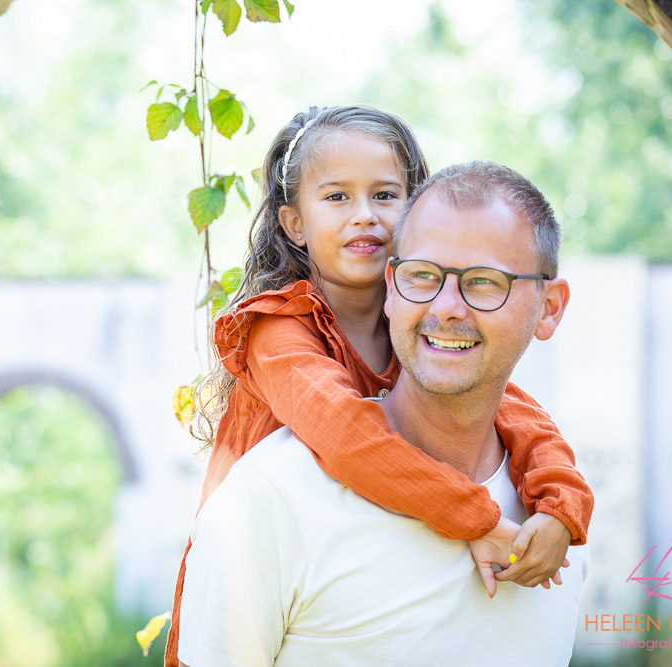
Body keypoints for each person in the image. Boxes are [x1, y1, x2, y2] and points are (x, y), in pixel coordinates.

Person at [163, 106, 593, 664]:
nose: (364, 216)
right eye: (337, 197)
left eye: (385, 196)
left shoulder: (421, 327)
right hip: (252, 578)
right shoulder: (279, 329)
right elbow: (346, 437)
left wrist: (563, 510)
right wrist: (477, 519)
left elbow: (519, 414)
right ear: (294, 224)